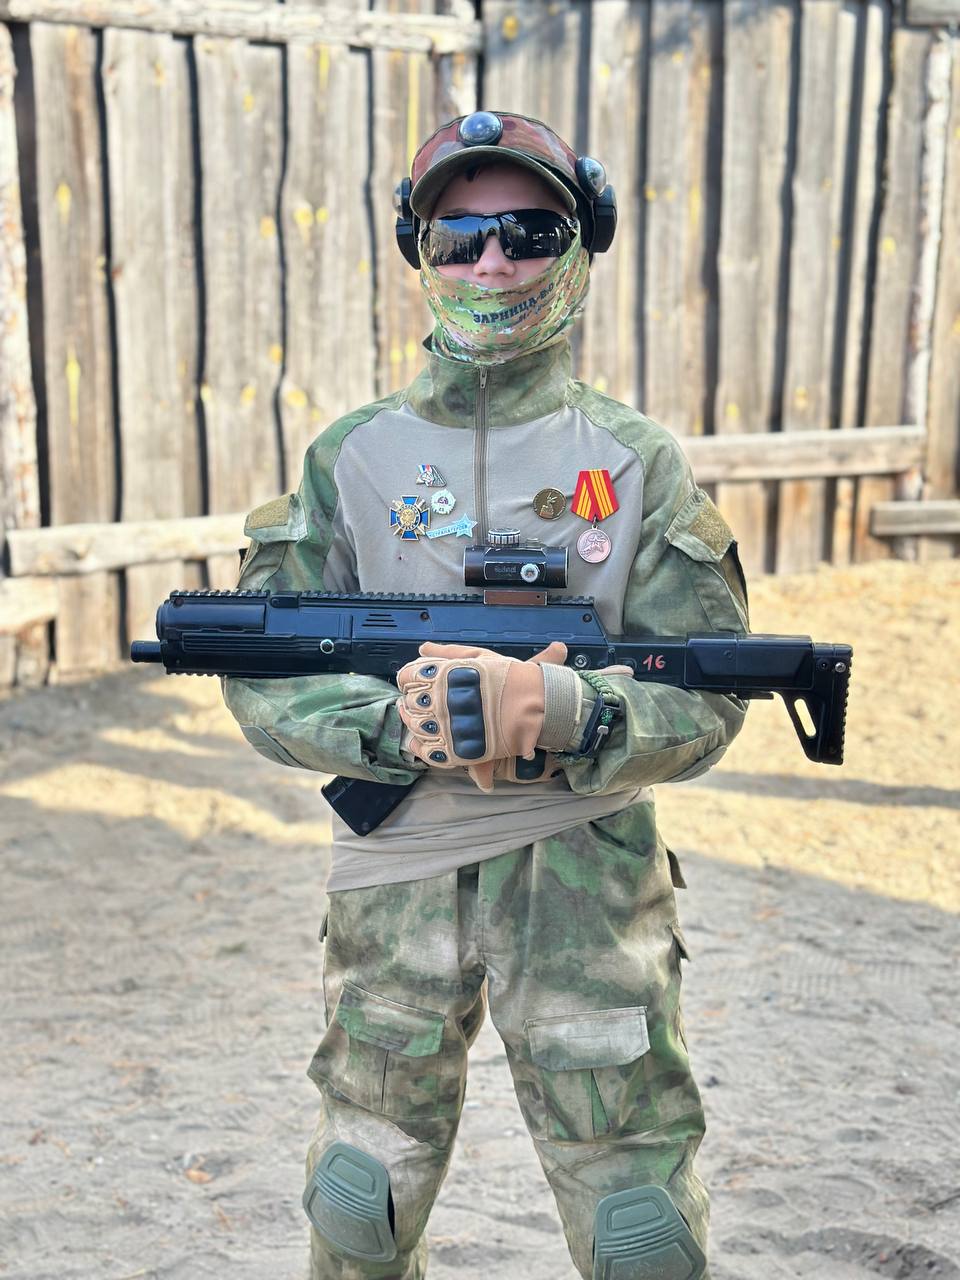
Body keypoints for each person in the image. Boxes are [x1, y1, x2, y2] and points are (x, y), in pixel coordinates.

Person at [222, 111, 749, 1280]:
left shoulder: (636, 462)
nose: (492, 263)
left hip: (586, 876)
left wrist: (575, 714)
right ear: (420, 253)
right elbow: (264, 671)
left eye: (528, 231)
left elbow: (711, 692)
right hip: (397, 875)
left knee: (639, 1226)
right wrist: (390, 725)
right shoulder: (351, 459)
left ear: (582, 241)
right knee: (359, 1200)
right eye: (458, 238)